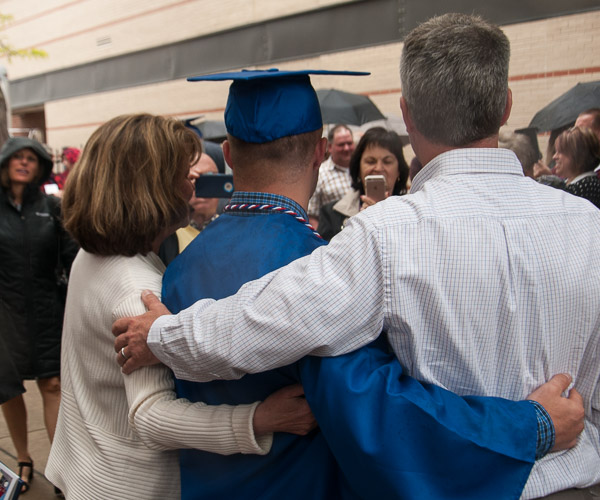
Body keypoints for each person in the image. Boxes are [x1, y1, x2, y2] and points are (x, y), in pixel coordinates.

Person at [116, 67, 585, 500]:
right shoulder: (326, 264)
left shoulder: (177, 264)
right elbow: (382, 415)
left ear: (231, 154)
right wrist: (531, 426)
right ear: (321, 151)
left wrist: (162, 334)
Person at [45, 114, 316, 500]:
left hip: (87, 469)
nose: (192, 179)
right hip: (130, 485)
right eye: (179, 170)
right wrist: (258, 419)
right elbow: (151, 417)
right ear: (147, 185)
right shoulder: (138, 290)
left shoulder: (92, 256)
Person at [0, 137, 78, 494]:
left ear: (41, 167)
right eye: (17, 157)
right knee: (9, 390)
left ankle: (61, 468)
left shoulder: (52, 207)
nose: (24, 162)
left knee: (53, 385)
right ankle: (23, 457)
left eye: (31, 158)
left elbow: (73, 259)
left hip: (48, 311)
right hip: (4, 316)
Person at [318, 126, 409, 240]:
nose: (378, 168)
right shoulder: (331, 214)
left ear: (399, 169)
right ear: (358, 168)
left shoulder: (412, 213)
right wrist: (361, 223)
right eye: (370, 161)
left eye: (387, 161)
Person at [307, 124, 354, 227]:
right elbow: (312, 216)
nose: (346, 148)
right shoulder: (320, 174)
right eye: (341, 144)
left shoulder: (361, 170)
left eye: (349, 143)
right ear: (330, 147)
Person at [549, 127, 600, 207]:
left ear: (579, 156)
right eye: (556, 151)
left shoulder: (583, 187)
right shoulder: (586, 182)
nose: (554, 157)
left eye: (561, 152)